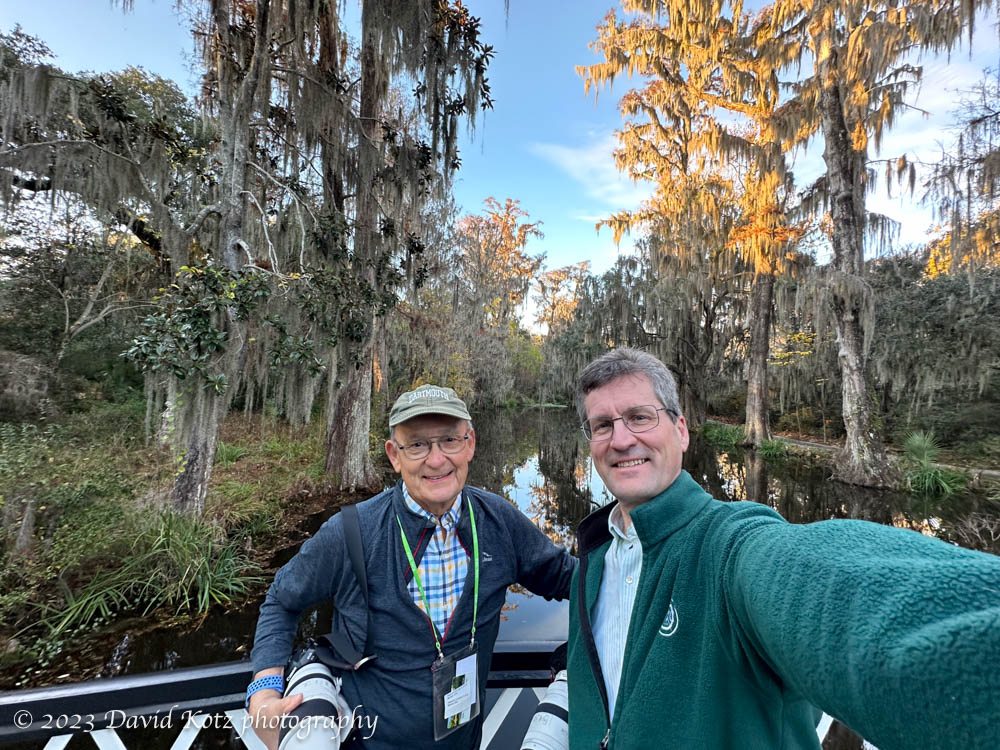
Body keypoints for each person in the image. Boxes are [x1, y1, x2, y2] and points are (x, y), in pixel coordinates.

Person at [567, 348, 1000, 750]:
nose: (620, 439)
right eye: (602, 425)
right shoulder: (595, 558)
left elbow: (819, 587)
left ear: (681, 431)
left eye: (640, 417)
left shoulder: (729, 547)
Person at [248, 384, 576, 750]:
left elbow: (574, 580)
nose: (436, 460)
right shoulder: (351, 533)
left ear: (469, 444)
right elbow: (282, 600)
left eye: (449, 440)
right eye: (417, 444)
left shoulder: (499, 523)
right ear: (394, 455)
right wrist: (264, 693)